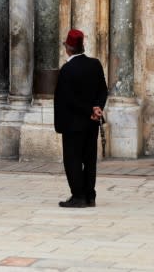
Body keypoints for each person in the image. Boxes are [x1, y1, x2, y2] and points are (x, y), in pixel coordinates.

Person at [54, 29, 108, 208]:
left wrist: (88, 111)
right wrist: (97, 108)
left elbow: (69, 99)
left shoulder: (67, 70)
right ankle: (90, 196)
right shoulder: (95, 64)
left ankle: (78, 196)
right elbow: (103, 91)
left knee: (73, 160)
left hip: (73, 124)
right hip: (91, 123)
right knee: (89, 159)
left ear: (68, 48)